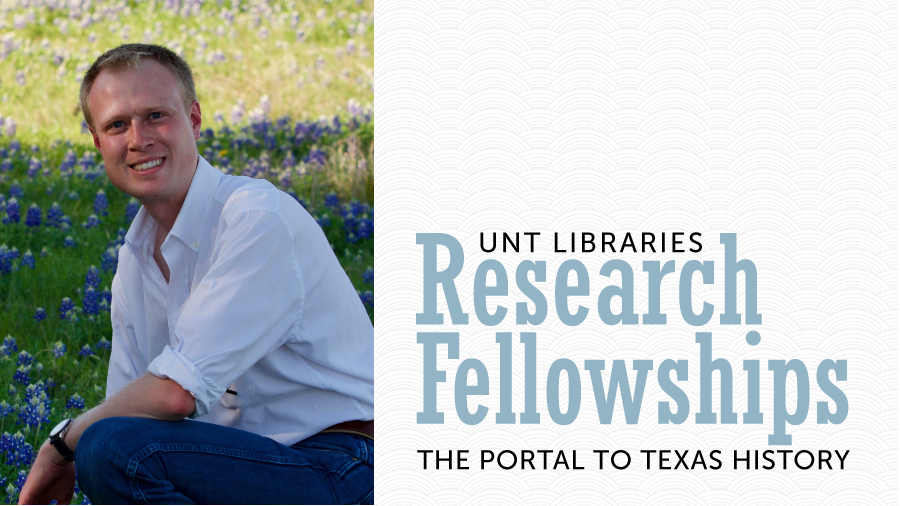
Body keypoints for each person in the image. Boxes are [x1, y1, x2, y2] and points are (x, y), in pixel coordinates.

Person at [19, 43, 374, 505]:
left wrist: (61, 444)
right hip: (244, 465)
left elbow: (173, 398)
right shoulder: (136, 257)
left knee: (114, 451)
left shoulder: (256, 218)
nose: (137, 139)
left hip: (347, 465)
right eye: (116, 125)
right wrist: (85, 440)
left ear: (195, 119)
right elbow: (125, 415)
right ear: (96, 142)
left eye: (156, 116)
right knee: (111, 444)